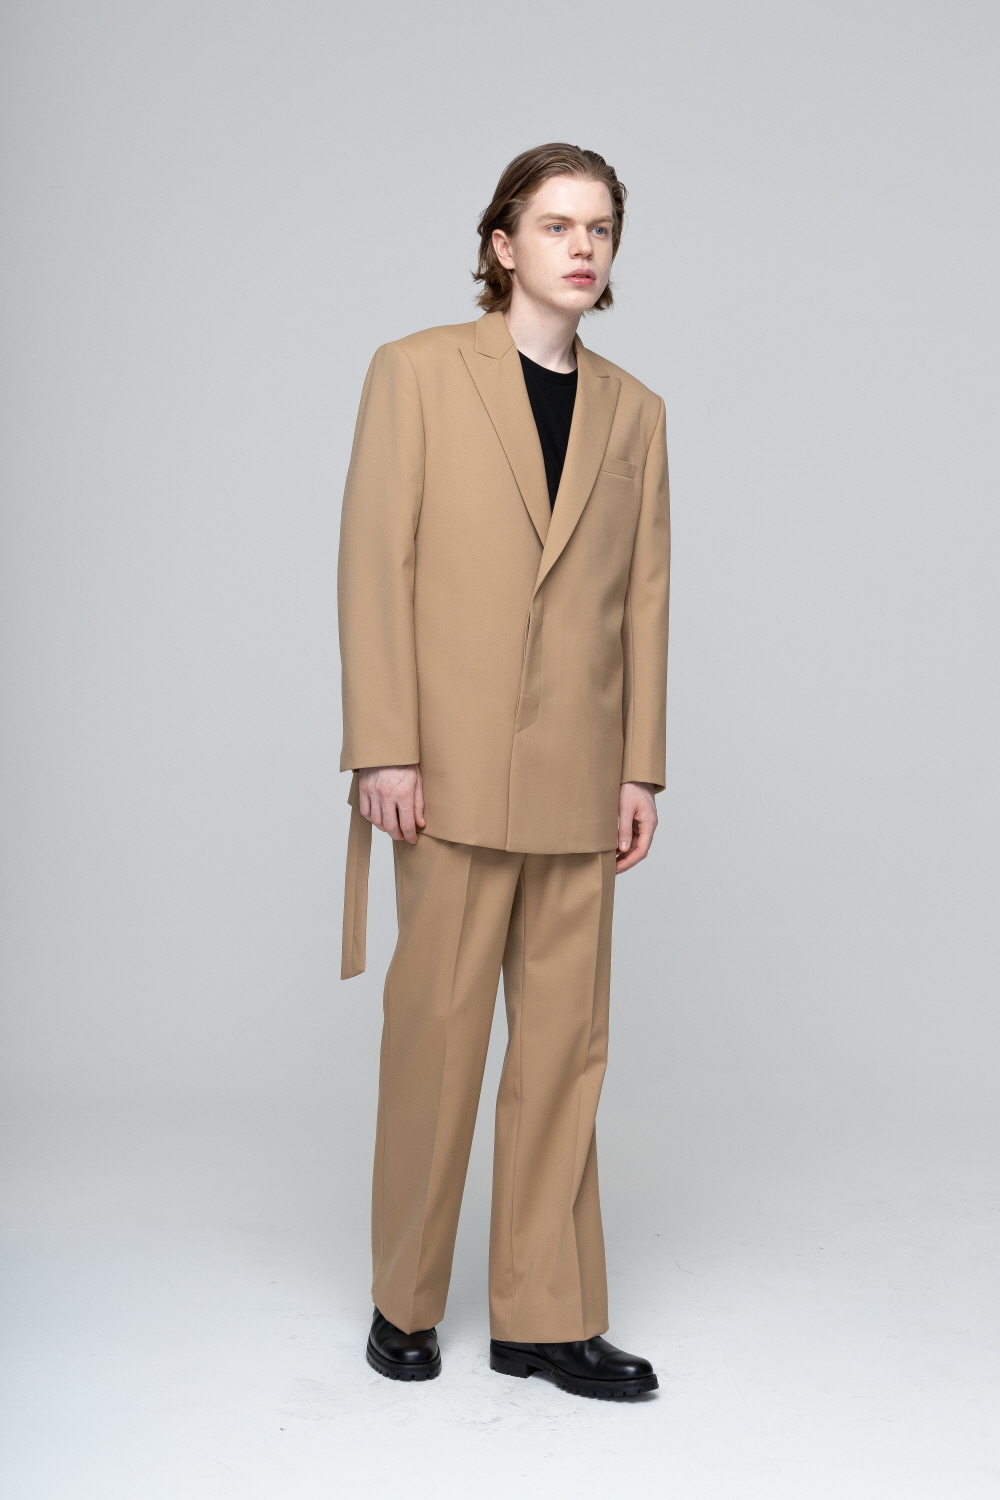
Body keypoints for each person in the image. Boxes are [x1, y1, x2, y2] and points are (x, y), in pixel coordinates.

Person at [338, 143, 670, 1400]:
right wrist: (384, 743)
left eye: (599, 228)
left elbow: (643, 600)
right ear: (502, 244)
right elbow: (374, 561)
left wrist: (639, 768)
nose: (580, 248)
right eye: (555, 225)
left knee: (566, 1050)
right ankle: (405, 1299)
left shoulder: (635, 411)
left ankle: (545, 1315)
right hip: (450, 770)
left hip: (582, 777)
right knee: (437, 1037)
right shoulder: (417, 371)